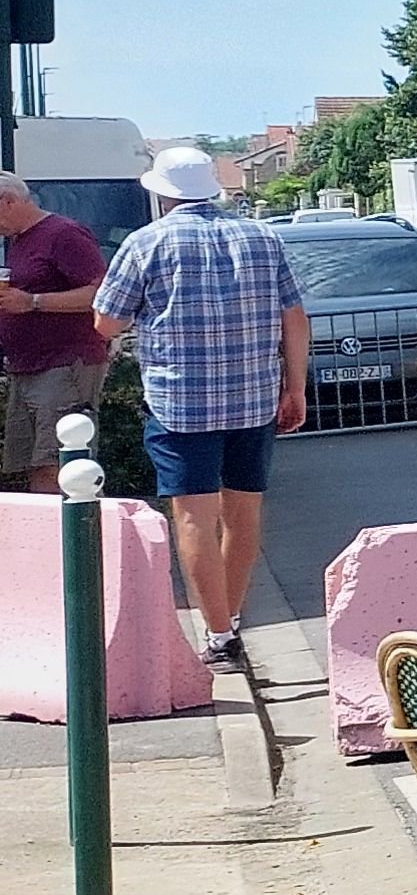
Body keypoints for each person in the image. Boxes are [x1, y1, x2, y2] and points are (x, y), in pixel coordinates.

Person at [92, 143, 305, 668]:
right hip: (254, 398)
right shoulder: (261, 236)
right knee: (244, 513)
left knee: (193, 517)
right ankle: (228, 622)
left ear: (162, 193)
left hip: (179, 404)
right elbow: (294, 318)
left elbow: (106, 322)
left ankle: (217, 632)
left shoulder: (146, 244)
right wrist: (294, 386)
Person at [0, 170, 114, 498]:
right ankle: (55, 543)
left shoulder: (63, 234)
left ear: (8, 201)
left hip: (65, 364)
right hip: (29, 367)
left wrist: (33, 302)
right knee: (36, 465)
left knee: (62, 464)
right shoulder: (19, 240)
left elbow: (101, 295)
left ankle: (81, 542)